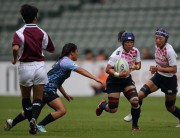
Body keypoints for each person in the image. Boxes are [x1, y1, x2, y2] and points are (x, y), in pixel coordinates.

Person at [4, 43, 105, 133]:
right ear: (72, 52)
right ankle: (40, 125)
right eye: (77, 51)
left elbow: (56, 81)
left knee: (32, 111)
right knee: (61, 110)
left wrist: (65, 94)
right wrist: (96, 79)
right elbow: (80, 70)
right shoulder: (66, 61)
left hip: (44, 87)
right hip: (47, 88)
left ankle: (12, 122)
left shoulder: (62, 61)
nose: (78, 54)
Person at [123, 28, 180, 128]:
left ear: (165, 39)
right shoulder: (156, 47)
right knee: (139, 95)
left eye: (160, 38)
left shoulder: (169, 51)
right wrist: (156, 70)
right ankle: (134, 113)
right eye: (156, 38)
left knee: (170, 107)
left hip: (169, 80)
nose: (157, 40)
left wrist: (157, 68)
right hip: (158, 76)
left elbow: (174, 69)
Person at [11, 4, 55, 134]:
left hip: (25, 66)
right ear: (35, 18)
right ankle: (34, 120)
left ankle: (31, 121)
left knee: (26, 98)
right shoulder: (42, 32)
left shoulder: (19, 33)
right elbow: (51, 49)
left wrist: (15, 58)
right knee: (38, 98)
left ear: (24, 18)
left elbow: (15, 48)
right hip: (40, 66)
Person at [95, 30, 142, 130]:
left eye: (131, 42)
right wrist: (118, 74)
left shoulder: (136, 51)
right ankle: (102, 105)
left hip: (126, 81)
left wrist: (136, 67)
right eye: (127, 42)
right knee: (113, 109)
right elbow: (108, 69)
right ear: (123, 43)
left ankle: (135, 126)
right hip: (114, 81)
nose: (130, 44)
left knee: (135, 101)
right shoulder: (117, 54)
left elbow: (139, 65)